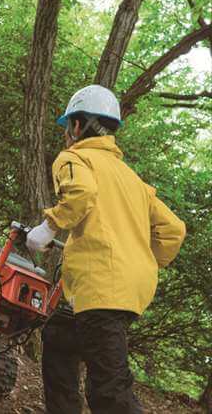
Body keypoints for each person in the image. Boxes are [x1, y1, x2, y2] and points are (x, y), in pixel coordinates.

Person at [26, 85, 186, 414]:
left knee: (110, 392)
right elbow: (174, 229)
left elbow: (81, 194)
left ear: (78, 125)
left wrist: (48, 227)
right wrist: (139, 260)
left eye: (68, 126)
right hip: (119, 289)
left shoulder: (74, 158)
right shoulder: (132, 179)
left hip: (102, 288)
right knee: (58, 336)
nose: (67, 134)